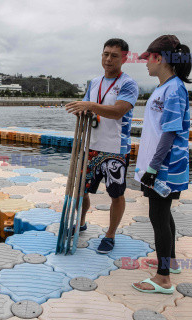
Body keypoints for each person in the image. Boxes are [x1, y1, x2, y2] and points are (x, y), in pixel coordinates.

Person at [65, 38, 139, 253]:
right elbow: (87, 108)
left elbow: (118, 111)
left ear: (124, 58)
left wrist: (89, 105)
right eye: (105, 54)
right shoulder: (94, 82)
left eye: (114, 55)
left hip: (116, 148)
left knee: (116, 194)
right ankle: (81, 222)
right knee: (81, 190)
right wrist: (83, 110)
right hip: (91, 144)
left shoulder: (128, 84)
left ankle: (110, 234)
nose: (108, 59)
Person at [132, 35, 192, 294]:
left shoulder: (174, 89)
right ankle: (171, 261)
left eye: (148, 58)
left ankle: (163, 278)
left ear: (160, 58)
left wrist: (154, 169)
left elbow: (169, 132)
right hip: (156, 165)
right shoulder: (162, 87)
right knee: (164, 213)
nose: (145, 63)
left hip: (164, 168)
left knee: (157, 216)